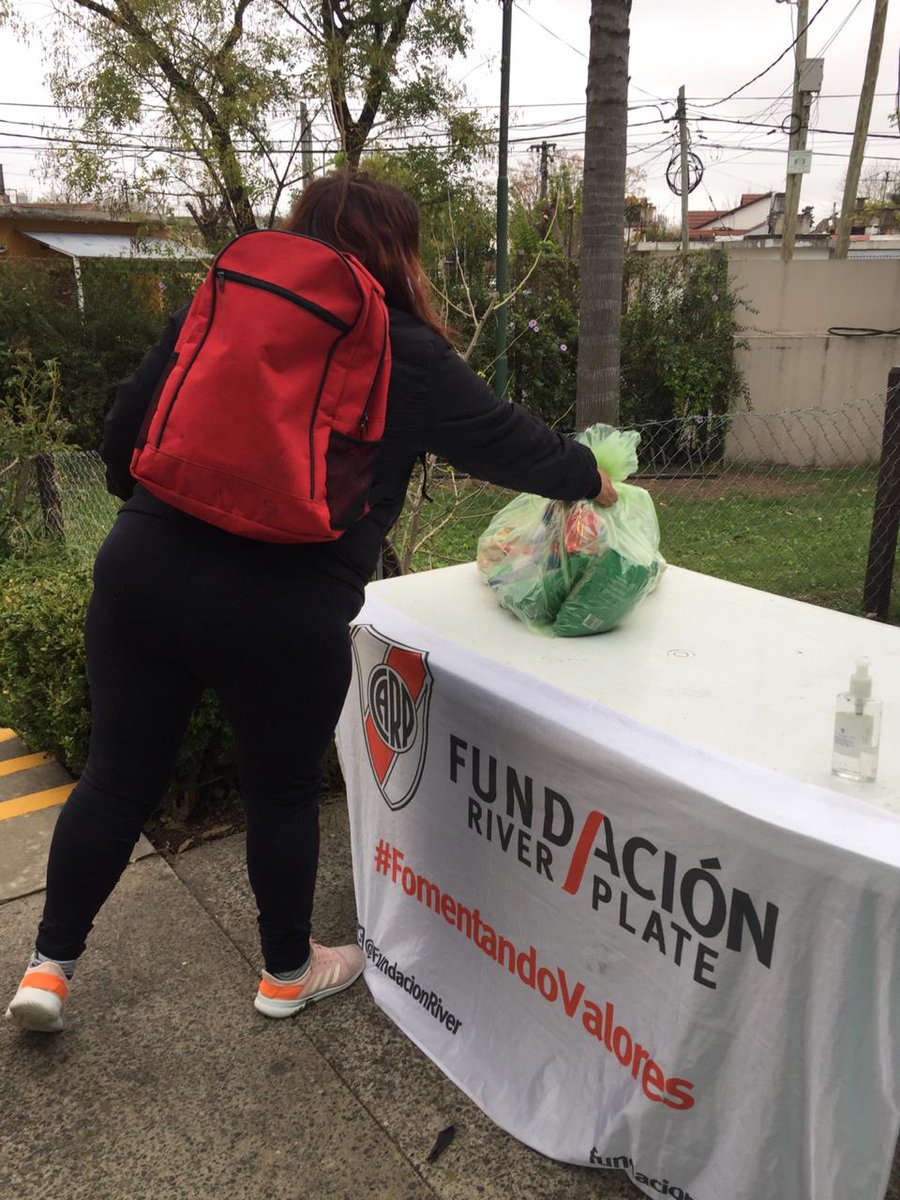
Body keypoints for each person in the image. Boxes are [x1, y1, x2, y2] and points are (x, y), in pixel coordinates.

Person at [5, 170, 617, 1033]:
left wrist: (150, 513)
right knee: (281, 792)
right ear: (400, 251)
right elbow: (510, 444)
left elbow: (127, 423)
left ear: (303, 230)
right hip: (285, 604)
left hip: (143, 566)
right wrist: (591, 479)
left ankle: (49, 969)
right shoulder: (407, 348)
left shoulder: (221, 305)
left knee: (115, 774)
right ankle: (287, 971)